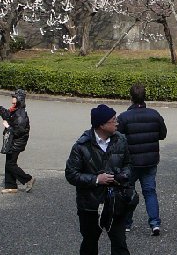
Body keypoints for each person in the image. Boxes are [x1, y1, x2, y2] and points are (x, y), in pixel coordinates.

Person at [65, 104, 132, 255]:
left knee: (120, 244)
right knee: (89, 243)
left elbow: (128, 164)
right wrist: (96, 179)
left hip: (116, 202)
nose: (117, 123)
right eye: (113, 120)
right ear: (101, 125)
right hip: (90, 205)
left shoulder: (121, 140)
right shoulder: (81, 146)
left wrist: (124, 175)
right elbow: (71, 174)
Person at [117, 83, 167, 236]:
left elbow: (118, 139)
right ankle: (155, 223)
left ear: (130, 97)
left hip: (131, 161)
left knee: (127, 191)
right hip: (150, 160)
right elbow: (162, 134)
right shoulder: (154, 114)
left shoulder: (124, 117)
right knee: (150, 192)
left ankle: (126, 222)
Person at [0, 89, 35, 194]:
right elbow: (6, 115)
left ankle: (28, 179)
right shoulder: (15, 109)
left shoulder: (20, 115)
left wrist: (8, 127)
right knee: (9, 163)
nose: (12, 100)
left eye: (14, 98)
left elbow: (19, 131)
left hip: (17, 142)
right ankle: (11, 186)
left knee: (11, 164)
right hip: (13, 141)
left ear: (19, 99)